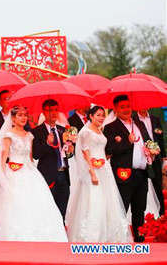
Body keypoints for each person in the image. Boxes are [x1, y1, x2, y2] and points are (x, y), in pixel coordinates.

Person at [0, 105, 67, 242]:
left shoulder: (30, 135)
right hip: (13, 172)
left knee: (36, 204)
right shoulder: (8, 135)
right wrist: (2, 178)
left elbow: (31, 158)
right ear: (13, 118)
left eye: (25, 115)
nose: (23, 118)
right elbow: (4, 157)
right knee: (15, 205)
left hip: (30, 172)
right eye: (20, 115)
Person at [65, 106, 132, 242]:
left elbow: (103, 150)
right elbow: (85, 153)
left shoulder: (100, 131)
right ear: (91, 116)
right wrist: (92, 172)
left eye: (102, 115)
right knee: (94, 200)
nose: (101, 118)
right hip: (93, 170)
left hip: (104, 169)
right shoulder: (85, 132)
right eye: (98, 115)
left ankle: (110, 234)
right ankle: (92, 236)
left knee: (108, 199)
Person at [104, 95, 151, 242]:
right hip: (123, 173)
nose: (126, 109)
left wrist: (151, 151)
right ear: (115, 109)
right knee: (121, 208)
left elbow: (148, 142)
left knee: (140, 208)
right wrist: (127, 141)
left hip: (142, 173)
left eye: (128, 106)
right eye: (122, 107)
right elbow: (109, 149)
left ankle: (139, 237)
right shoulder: (111, 128)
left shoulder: (139, 124)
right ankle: (120, 239)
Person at [32, 99, 74, 220]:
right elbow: (35, 154)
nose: (54, 113)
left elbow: (66, 153)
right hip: (49, 174)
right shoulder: (36, 131)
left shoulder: (63, 130)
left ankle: (61, 232)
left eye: (56, 110)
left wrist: (70, 150)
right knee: (49, 209)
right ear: (44, 112)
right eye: (50, 110)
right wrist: (47, 143)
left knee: (62, 208)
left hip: (64, 174)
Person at [134, 109, 166, 217]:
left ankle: (161, 210)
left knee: (158, 183)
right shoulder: (133, 120)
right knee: (143, 184)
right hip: (141, 157)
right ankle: (145, 210)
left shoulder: (155, 119)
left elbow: (160, 138)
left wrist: (164, 156)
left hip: (156, 156)